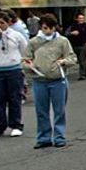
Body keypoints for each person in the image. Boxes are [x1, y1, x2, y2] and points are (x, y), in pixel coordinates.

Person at [22, 13, 76, 149]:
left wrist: (64, 61)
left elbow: (72, 58)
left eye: (51, 28)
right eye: (45, 28)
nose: (48, 31)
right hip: (39, 80)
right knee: (41, 110)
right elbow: (25, 59)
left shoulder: (62, 41)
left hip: (58, 80)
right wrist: (29, 65)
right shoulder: (34, 42)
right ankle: (44, 137)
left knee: (59, 110)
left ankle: (59, 136)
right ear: (41, 27)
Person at [0, 11, 29, 138]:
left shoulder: (16, 35)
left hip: (14, 70)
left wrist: (24, 64)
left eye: (2, 23)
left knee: (14, 98)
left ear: (8, 23)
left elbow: (25, 50)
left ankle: (16, 125)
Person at [66, 13, 86, 80]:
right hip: (75, 45)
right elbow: (66, 33)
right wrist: (72, 33)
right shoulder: (73, 26)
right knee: (81, 60)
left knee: (81, 59)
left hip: (84, 45)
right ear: (77, 19)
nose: (81, 19)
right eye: (80, 18)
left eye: (82, 18)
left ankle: (82, 75)